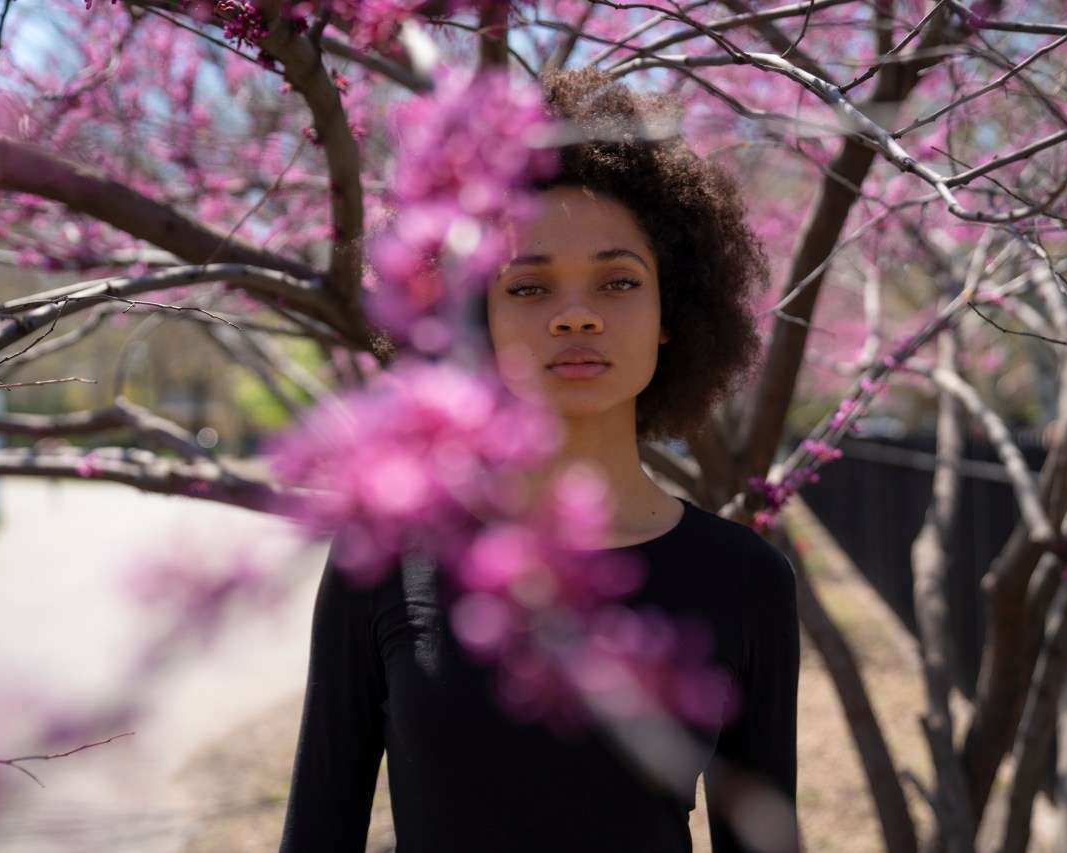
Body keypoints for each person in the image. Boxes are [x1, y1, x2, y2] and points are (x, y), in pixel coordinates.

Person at [280, 69, 799, 852]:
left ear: (672, 314)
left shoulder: (747, 579)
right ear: (473, 316)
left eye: (619, 281)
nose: (578, 314)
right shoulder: (383, 560)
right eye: (528, 288)